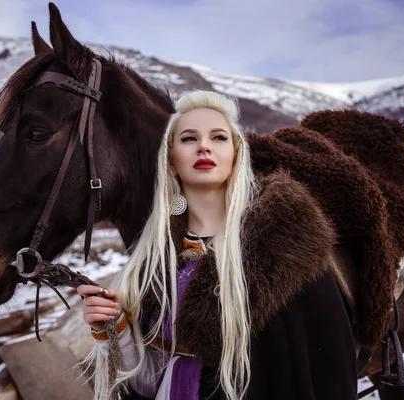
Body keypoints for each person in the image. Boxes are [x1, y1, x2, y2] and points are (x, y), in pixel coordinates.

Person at [77, 90, 357, 399]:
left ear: (236, 154)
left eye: (219, 137)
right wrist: (115, 331)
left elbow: (329, 372)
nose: (204, 146)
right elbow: (152, 385)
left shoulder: (289, 246)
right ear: (171, 160)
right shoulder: (151, 264)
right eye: (188, 139)